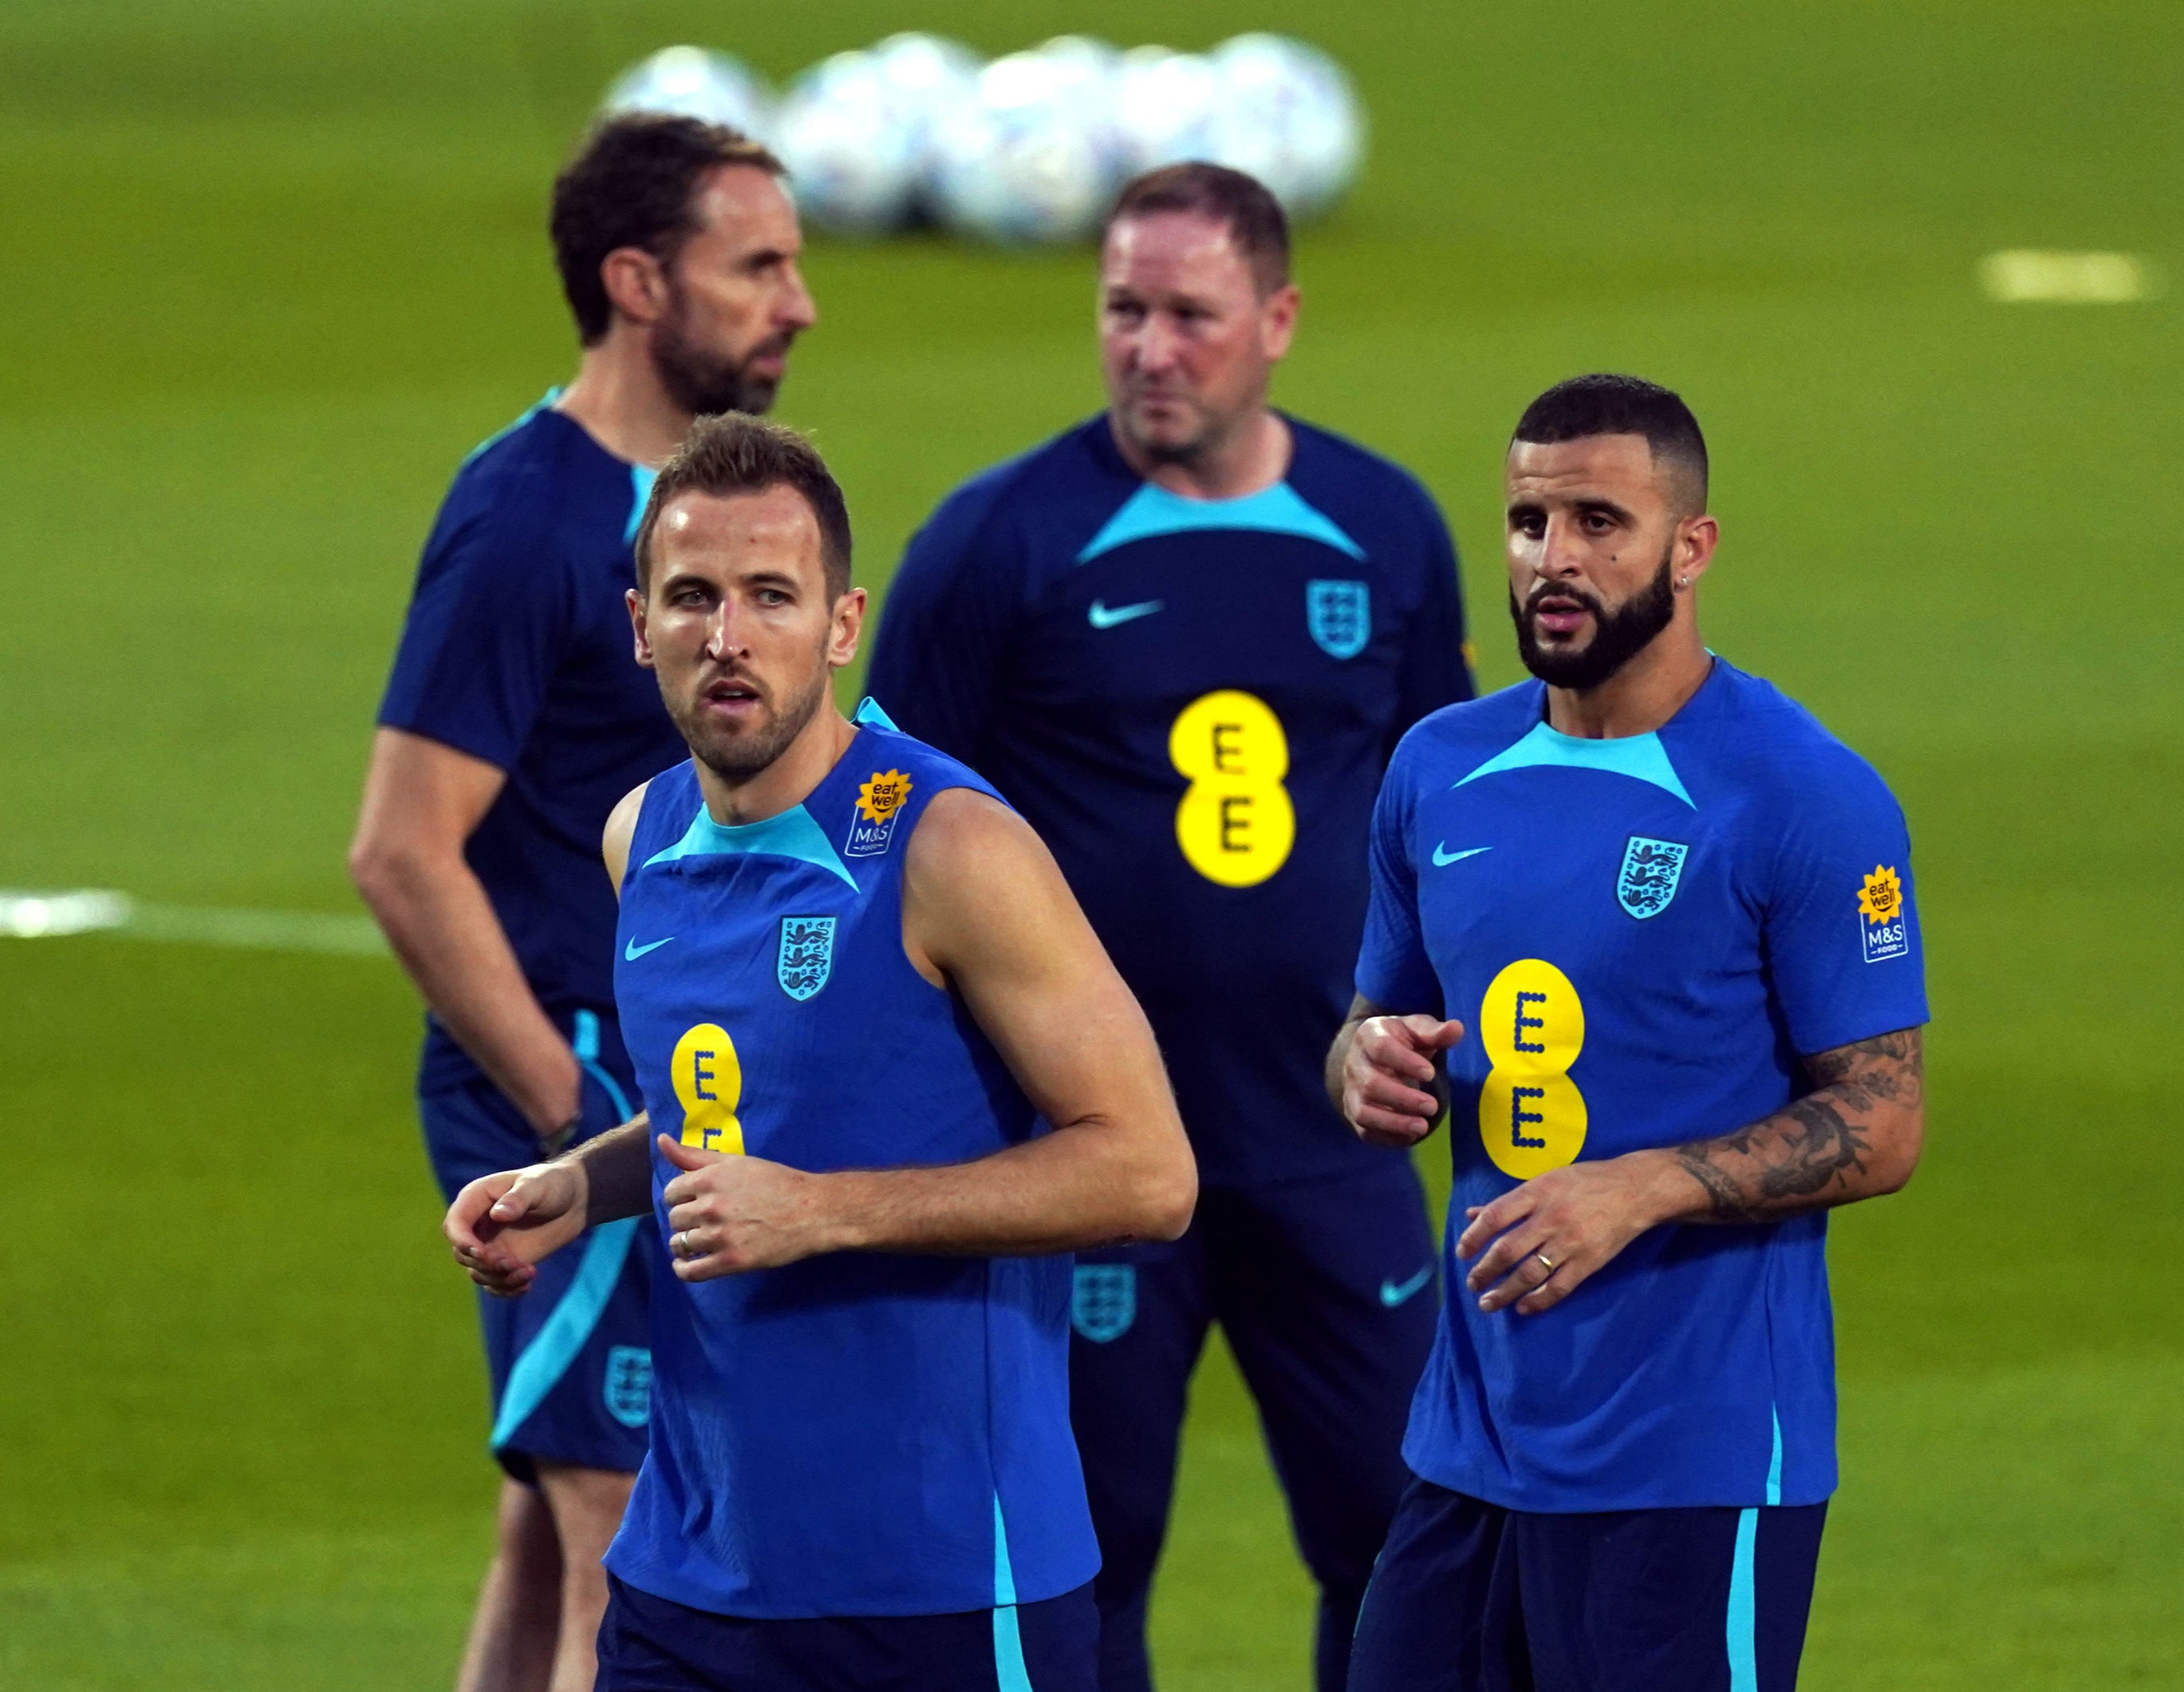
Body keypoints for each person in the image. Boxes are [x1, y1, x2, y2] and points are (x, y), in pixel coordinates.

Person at [442, 415, 1198, 1692]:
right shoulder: (644, 837)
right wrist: (582, 1185)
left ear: (842, 625)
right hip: (692, 1573)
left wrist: (824, 1214)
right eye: (691, 597)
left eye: (768, 597)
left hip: (945, 1586)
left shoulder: (951, 850)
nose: (726, 638)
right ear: (639, 625)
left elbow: (1149, 1174)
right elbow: (741, 1113)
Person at [866, 162, 1475, 1692]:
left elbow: (1446, 816)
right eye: (1122, 309)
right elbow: (884, 842)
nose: (1149, 346)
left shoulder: (1383, 528)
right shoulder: (996, 542)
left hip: (1336, 1142)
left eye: (1189, 314)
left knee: (1403, 1539)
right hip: (1088, 1153)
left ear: (1276, 319)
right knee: (1087, 1553)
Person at [1331, 373, 1929, 1692]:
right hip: (1472, 1441)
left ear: (1692, 545)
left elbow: (1883, 1120)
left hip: (1694, 1461)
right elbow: (1375, 1009)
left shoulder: (1802, 796)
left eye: (1601, 521)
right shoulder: (1440, 765)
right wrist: (1362, 1063)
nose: (1557, 559)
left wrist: (1645, 1187)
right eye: (1530, 522)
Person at [349, 116, 815, 1692]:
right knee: (627, 1542)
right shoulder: (529, 513)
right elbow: (403, 847)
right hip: (574, 1081)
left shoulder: (702, 509)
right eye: (757, 266)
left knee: (552, 1530)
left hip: (663, 1076)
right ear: (637, 281)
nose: (799, 302)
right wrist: (575, 1114)